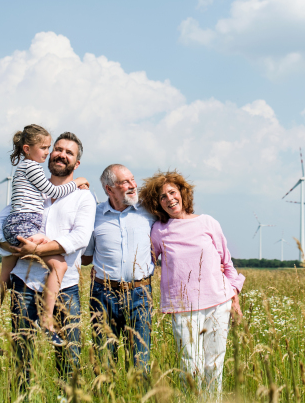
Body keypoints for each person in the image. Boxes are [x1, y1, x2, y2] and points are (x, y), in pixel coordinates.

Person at [0, 132, 96, 386]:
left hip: (65, 286)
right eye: (57, 149)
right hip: (24, 284)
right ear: (49, 154)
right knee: (22, 359)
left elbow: (80, 238)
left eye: (69, 152)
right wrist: (9, 246)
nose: (61, 154)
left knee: (69, 360)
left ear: (76, 164)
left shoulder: (83, 197)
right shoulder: (32, 189)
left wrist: (37, 251)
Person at [139, 170, 244, 397]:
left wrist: (234, 298)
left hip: (218, 302)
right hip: (183, 307)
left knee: (214, 364)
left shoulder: (208, 222)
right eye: (162, 197)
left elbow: (227, 264)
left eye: (172, 192)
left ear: (183, 194)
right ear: (157, 204)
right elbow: (147, 262)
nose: (169, 199)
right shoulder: (159, 231)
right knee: (190, 365)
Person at [81, 164, 154, 373]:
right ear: (109, 189)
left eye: (132, 179)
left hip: (140, 294)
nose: (133, 185)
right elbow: (86, 257)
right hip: (103, 294)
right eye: (125, 182)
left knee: (140, 362)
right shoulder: (93, 215)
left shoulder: (149, 212)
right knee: (104, 363)